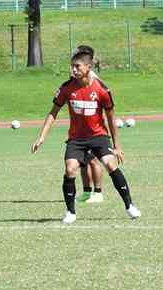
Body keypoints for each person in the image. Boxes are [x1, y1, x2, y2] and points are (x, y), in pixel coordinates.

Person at [31, 49, 141, 224]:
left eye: (77, 66)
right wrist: (41, 137)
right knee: (70, 169)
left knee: (110, 164)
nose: (73, 70)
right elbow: (53, 112)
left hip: (99, 136)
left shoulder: (102, 90)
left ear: (88, 67)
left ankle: (130, 206)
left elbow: (111, 118)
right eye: (72, 66)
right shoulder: (66, 88)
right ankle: (70, 212)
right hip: (76, 139)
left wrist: (117, 145)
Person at [69, 45, 105, 204]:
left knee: (93, 160)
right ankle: (86, 191)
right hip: (79, 129)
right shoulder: (78, 74)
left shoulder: (92, 77)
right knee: (83, 162)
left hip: (92, 129)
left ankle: (98, 192)